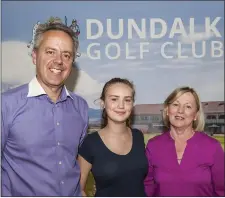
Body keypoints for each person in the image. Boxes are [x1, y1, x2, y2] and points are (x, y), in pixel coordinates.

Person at [1, 17, 89, 196]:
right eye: (50, 52)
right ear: (34, 56)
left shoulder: (81, 107)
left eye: (66, 55)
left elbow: (78, 160)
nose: (59, 61)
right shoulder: (6, 104)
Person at [144, 86, 225, 196]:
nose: (180, 111)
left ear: (195, 115)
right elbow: (147, 188)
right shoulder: (153, 145)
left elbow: (222, 191)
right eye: (176, 104)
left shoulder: (212, 147)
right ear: (168, 110)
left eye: (188, 106)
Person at [78, 78, 148, 197]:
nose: (121, 105)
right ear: (103, 103)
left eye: (127, 100)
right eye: (114, 99)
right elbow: (78, 189)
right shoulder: (90, 143)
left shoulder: (138, 136)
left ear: (132, 104)